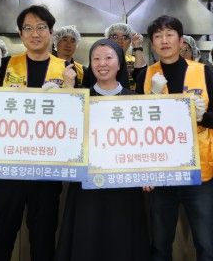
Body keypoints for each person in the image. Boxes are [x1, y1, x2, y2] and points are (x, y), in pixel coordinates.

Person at [0, 4, 76, 261]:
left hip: (47, 168)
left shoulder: (68, 69)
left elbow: (76, 119)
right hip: (8, 166)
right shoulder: (6, 65)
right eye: (28, 28)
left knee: (43, 238)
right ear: (20, 33)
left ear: (51, 32)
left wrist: (68, 90)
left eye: (41, 28)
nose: (35, 34)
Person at [136, 15, 213, 261]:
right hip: (161, 172)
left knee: (207, 244)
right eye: (158, 36)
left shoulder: (203, 71)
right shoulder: (145, 76)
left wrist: (202, 116)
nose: (164, 41)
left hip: (199, 172)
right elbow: (137, 127)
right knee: (160, 244)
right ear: (152, 43)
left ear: (181, 40)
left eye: (169, 35)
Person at [55, 38, 149, 261]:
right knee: (87, 240)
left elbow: (144, 143)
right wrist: (67, 92)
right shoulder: (80, 97)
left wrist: (149, 172)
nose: (102, 63)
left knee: (122, 241)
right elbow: (64, 135)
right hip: (87, 187)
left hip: (125, 187)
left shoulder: (135, 100)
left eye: (108, 58)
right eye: (96, 59)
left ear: (119, 63)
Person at [104, 23, 147, 90]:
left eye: (125, 37)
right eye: (115, 37)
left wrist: (137, 45)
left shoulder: (133, 61)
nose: (120, 41)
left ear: (130, 41)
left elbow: (142, 77)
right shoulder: (100, 62)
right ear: (108, 40)